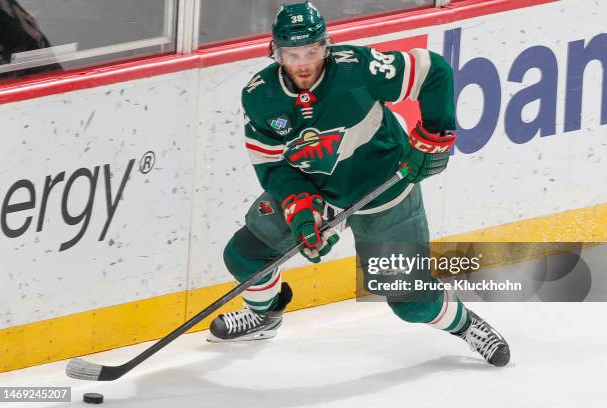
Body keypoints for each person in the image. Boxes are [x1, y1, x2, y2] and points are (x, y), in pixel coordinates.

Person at [208, 1, 510, 367]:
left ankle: (466, 326)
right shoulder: (260, 97)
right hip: (313, 186)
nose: (303, 63)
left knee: (410, 301)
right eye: (292, 53)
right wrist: (300, 206)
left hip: (383, 187)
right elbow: (271, 163)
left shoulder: (360, 69)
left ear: (326, 45)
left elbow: (435, 72)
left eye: (312, 50)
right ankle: (265, 314)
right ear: (275, 52)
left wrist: (434, 134)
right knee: (244, 256)